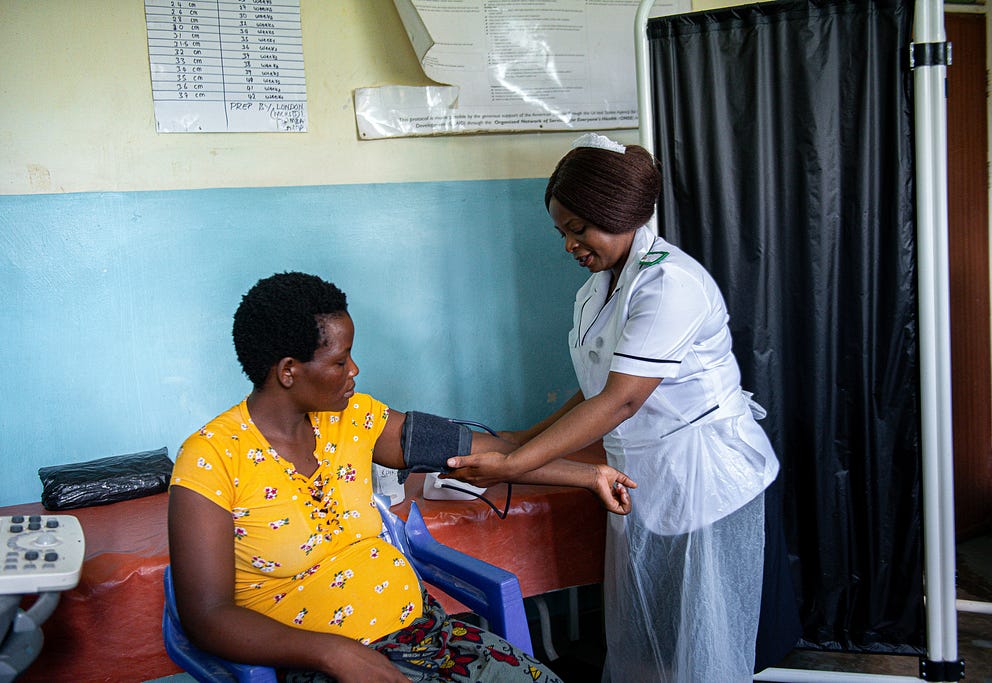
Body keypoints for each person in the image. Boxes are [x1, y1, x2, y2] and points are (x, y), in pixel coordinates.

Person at [168, 271, 636, 683]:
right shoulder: (210, 458)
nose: (354, 370)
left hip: (428, 638)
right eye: (339, 360)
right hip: (323, 667)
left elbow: (483, 452)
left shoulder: (355, 418)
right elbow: (207, 617)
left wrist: (586, 474)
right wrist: (334, 653)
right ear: (289, 371)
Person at [446, 133, 786, 682]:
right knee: (656, 633)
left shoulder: (668, 284)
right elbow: (599, 386)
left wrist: (515, 465)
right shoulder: (597, 288)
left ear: (618, 214)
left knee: (707, 643)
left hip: (705, 477)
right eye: (562, 232)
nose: (568, 246)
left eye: (578, 230)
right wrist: (522, 438)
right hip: (644, 473)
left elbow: (622, 399)